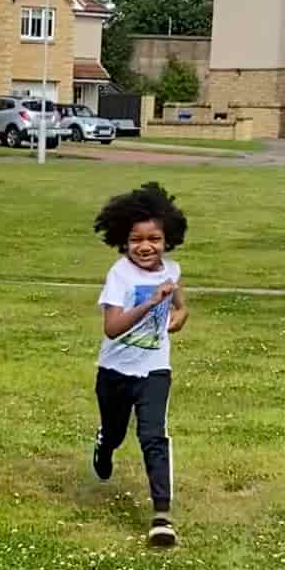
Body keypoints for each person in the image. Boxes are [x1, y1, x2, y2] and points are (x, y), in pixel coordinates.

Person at [91, 182, 189, 547]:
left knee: (153, 436)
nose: (145, 247)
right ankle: (104, 443)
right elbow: (112, 327)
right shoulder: (120, 275)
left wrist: (181, 312)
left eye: (154, 239)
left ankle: (162, 516)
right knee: (116, 432)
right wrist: (151, 302)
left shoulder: (171, 271)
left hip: (154, 369)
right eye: (136, 240)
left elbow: (179, 302)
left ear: (168, 239)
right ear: (123, 240)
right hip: (115, 371)